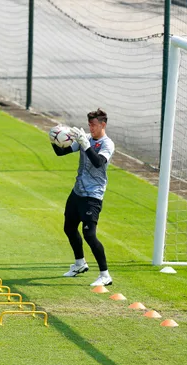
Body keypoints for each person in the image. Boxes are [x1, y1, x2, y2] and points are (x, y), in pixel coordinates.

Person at [51, 108, 115, 287]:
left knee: (89, 234)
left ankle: (105, 275)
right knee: (69, 228)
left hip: (92, 196)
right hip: (77, 192)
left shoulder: (107, 144)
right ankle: (80, 264)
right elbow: (61, 153)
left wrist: (85, 144)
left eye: (93, 125)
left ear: (103, 124)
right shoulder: (84, 138)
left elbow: (98, 162)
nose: (91, 128)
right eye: (89, 125)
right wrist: (54, 138)